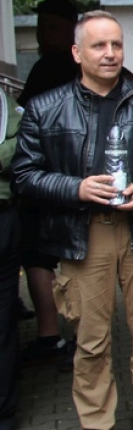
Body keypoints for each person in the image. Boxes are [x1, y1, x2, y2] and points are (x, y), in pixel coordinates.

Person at [12, 10, 133, 430]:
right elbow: (23, 174)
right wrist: (74, 188)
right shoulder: (45, 108)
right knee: (91, 345)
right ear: (77, 52)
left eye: (115, 45)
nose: (110, 54)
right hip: (82, 234)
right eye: (98, 45)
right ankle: (97, 423)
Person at [16, 0, 79, 367]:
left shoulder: (53, 66)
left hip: (66, 181)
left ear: (73, 29)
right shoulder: (45, 66)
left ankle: (52, 335)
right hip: (50, 181)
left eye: (51, 27)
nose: (43, 35)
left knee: (49, 256)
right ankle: (56, 334)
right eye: (41, 27)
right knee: (42, 256)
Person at [0, 89, 23, 430]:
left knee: (3, 321)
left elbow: (18, 152)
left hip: (2, 218)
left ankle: (3, 410)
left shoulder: (6, 105)